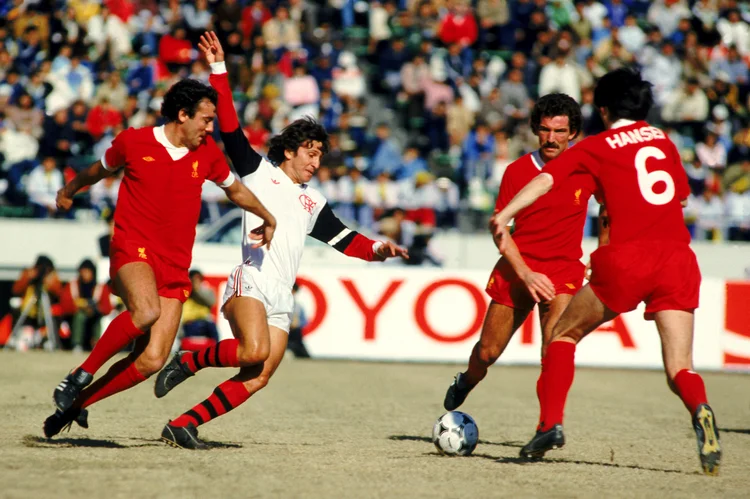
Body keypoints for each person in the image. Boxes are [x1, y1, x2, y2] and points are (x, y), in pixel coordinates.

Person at [155, 32, 408, 450]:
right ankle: (190, 360)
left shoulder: (314, 201)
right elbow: (232, 128)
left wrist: (381, 249)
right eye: (310, 152)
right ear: (289, 151)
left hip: (281, 295)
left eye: (320, 156)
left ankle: (183, 424)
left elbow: (348, 242)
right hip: (251, 280)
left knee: (259, 375)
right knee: (253, 351)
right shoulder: (258, 173)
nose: (315, 161)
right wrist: (219, 68)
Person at [489, 68, 721, 476]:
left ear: (602, 108)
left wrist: (505, 214)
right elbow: (680, 199)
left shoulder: (598, 145)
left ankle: (550, 425)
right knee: (680, 366)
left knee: (562, 334)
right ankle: (701, 409)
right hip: (679, 259)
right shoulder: (664, 141)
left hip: (629, 259)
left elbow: (545, 180)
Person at [43, 74, 277, 438]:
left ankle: (77, 403)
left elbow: (235, 190)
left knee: (152, 359)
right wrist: (70, 189)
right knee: (146, 310)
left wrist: (267, 215)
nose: (210, 127)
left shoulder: (208, 153)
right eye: (206, 119)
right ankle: (79, 374)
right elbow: (98, 170)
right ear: (183, 115)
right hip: (132, 248)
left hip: (174, 265)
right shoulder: (133, 142)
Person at [442, 93, 602, 419]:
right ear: (534, 130)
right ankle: (468, 379)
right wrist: (526, 274)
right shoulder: (516, 171)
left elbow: (611, 210)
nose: (552, 138)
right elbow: (500, 230)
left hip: (563, 271)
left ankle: (548, 425)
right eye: (544, 130)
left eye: (560, 131)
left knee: (553, 350)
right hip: (519, 266)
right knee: (487, 352)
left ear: (573, 133)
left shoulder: (587, 170)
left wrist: (603, 252)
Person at [59, 259, 114, 353]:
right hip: (74, 317)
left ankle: (96, 344)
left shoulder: (100, 287)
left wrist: (95, 310)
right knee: (80, 317)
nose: (85, 274)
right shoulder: (72, 285)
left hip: (94, 316)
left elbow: (107, 308)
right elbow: (64, 305)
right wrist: (80, 307)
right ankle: (77, 344)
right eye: (83, 271)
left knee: (97, 319)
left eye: (87, 271)